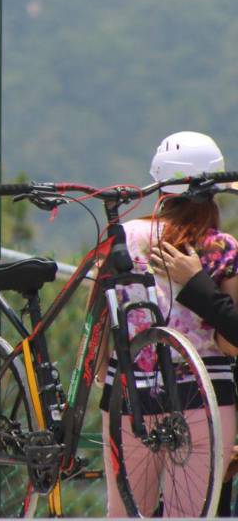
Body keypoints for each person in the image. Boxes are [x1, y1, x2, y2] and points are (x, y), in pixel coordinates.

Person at [103, 131, 238, 517]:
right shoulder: (221, 248)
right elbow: (232, 343)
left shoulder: (123, 239)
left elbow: (103, 327)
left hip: (129, 393)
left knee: (126, 512)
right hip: (204, 395)